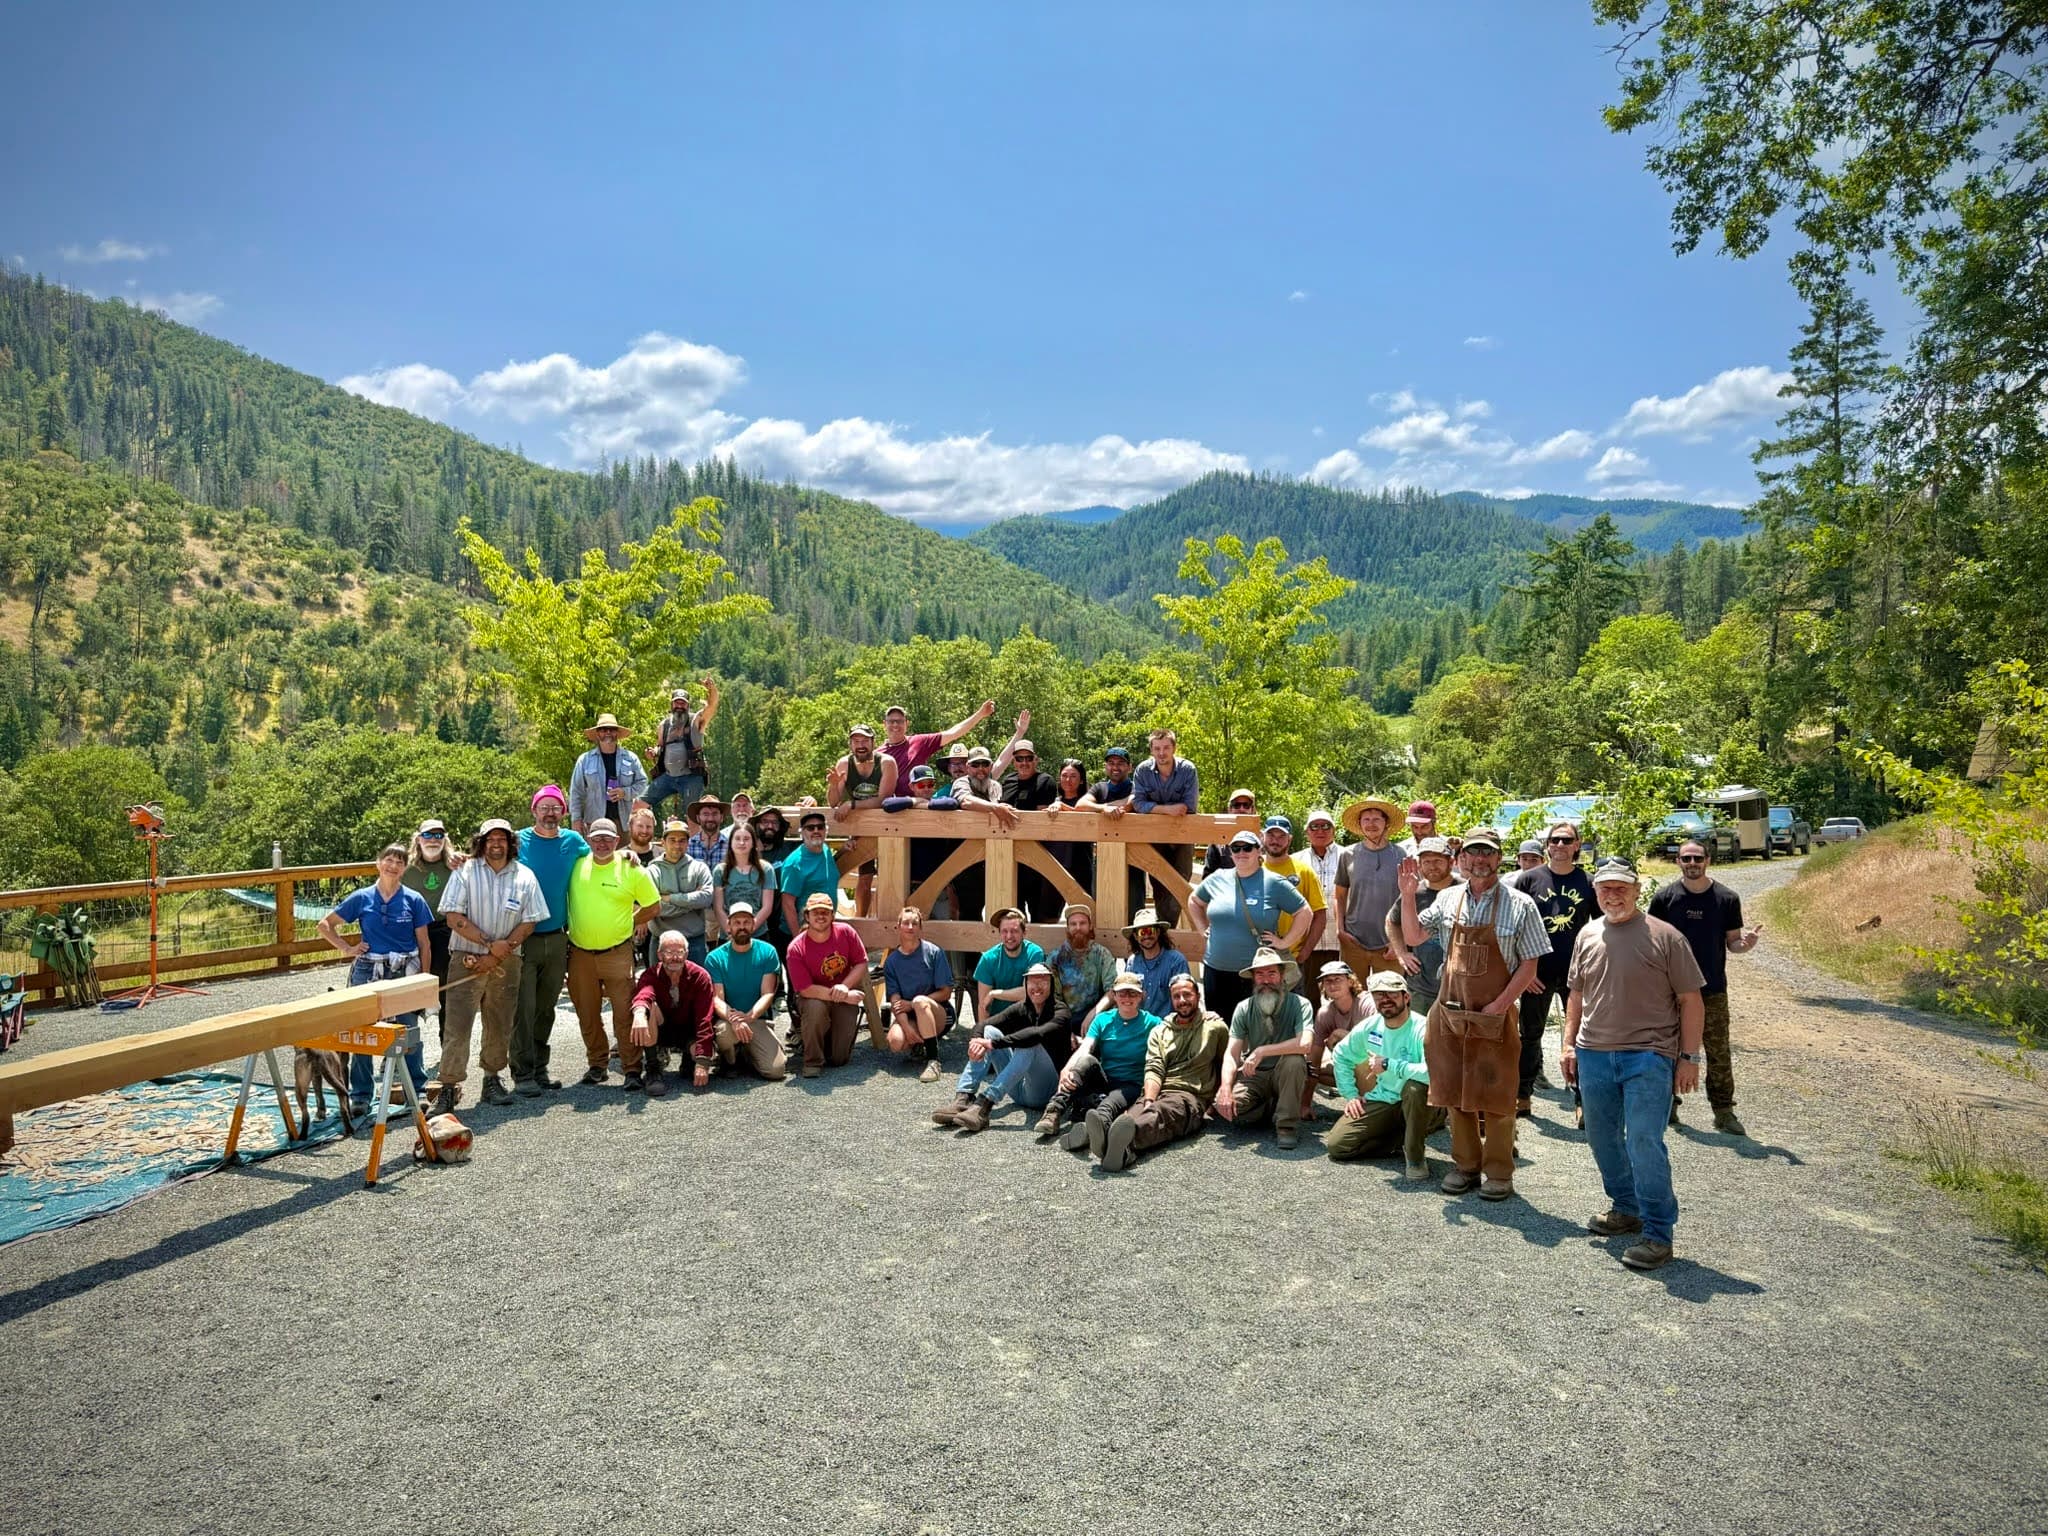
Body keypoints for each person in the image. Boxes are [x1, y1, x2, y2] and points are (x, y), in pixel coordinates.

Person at [1564, 858, 1708, 1272]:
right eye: (1605, 888)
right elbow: (1576, 994)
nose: (1613, 895)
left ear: (1637, 888)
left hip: (1649, 1055)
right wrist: (1569, 1045)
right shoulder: (1588, 934)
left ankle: (1659, 1233)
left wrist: (1689, 1057)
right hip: (1593, 1054)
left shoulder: (1667, 938)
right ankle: (1626, 1208)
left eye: (1621, 887)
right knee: (1601, 1137)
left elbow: (1691, 1001)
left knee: (1644, 1142)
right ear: (1596, 892)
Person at [1398, 827, 1551, 1200]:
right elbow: (1415, 936)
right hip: (1451, 1013)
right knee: (1455, 1093)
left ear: (1499, 859)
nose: (1480, 860)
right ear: (1462, 859)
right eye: (1473, 853)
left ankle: (1499, 1173)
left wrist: (1499, 1006)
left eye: (1488, 853)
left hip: (1495, 1015)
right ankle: (1465, 1166)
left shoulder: (1521, 905)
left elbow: (1529, 966)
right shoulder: (1449, 899)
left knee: (1497, 1095)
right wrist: (1405, 897)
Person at [1647, 839, 1763, 1135]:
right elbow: (1652, 943)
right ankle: (1666, 1105)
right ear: (1678, 862)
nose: (1692, 863)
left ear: (1708, 860)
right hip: (1669, 990)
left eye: (1697, 858)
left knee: (1718, 1050)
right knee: (1666, 1048)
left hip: (1711, 988)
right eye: (1686, 858)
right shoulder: (1664, 898)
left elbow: (1733, 943)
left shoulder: (1726, 898)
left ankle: (1723, 1111)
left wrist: (1745, 944)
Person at [433, 818, 547, 1112]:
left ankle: (492, 1079)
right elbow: (452, 916)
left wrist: (498, 952)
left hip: (507, 961)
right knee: (457, 1024)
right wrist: (487, 945)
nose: (496, 844)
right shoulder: (465, 872)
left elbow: (530, 920)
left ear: (511, 843)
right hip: (465, 958)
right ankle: (449, 1085)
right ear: (481, 843)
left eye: (502, 839)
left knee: (500, 1022)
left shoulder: (525, 876)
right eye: (490, 839)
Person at [317, 843, 433, 1116]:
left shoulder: (413, 900)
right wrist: (347, 948)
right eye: (388, 860)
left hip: (403, 970)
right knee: (363, 1033)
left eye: (399, 862)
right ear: (378, 863)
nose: (393, 866)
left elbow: (424, 943)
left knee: (407, 1032)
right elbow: (325, 924)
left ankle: (415, 1090)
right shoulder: (362, 897)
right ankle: (361, 1095)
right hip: (369, 970)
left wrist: (425, 979)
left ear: (405, 868)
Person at [1087, 972, 1229, 1171]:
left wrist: (1218, 1098)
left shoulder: (1215, 1028)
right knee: (1130, 1118)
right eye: (1176, 996)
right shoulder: (1160, 1031)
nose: (1182, 1001)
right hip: (1157, 1091)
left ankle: (1110, 1142)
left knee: (1159, 1115)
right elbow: (1154, 1067)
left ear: (1198, 996)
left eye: (1187, 995)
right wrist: (1148, 1100)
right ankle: (1122, 1153)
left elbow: (1227, 1063)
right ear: (1171, 999)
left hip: (1189, 1096)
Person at [1505, 820, 1597, 1119]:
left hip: (1578, 975)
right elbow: (1512, 928)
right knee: (1530, 1035)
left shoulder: (1589, 882)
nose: (1559, 845)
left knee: (1583, 1037)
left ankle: (1583, 1099)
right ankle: (1523, 1095)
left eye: (1566, 840)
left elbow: (1600, 928)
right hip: (1537, 973)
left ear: (1577, 845)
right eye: (1554, 840)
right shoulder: (1528, 880)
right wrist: (1522, 971)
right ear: (1547, 845)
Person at [565, 817, 663, 1090]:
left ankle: (632, 1068)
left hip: (616, 952)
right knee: (587, 1012)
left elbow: (653, 906)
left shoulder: (631, 868)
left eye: (608, 838)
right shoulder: (576, 865)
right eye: (596, 838)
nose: (602, 843)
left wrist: (629, 921)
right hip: (580, 953)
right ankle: (597, 1064)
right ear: (589, 841)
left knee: (624, 1013)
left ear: (617, 840)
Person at [1324, 971, 1446, 1177]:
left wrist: (1390, 1064)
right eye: (1379, 995)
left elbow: (1434, 1073)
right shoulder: (1370, 1027)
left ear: (1406, 997)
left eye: (1391, 994)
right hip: (1385, 1097)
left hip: (1421, 1100)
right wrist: (1350, 1095)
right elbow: (1342, 1055)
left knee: (1414, 1087)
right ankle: (1404, 1137)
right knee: (1338, 1146)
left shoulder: (1423, 1028)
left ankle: (1415, 1157)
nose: (1385, 1000)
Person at [512, 784, 589, 1097]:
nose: (550, 812)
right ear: (534, 810)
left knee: (546, 1008)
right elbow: (486, 858)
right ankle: (522, 1072)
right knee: (524, 1007)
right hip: (523, 936)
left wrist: (629, 857)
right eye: (544, 806)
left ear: (564, 812)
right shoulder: (518, 840)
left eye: (556, 807)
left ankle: (540, 1068)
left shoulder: (573, 841)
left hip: (558, 937)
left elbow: (602, 856)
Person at [1187, 829, 1308, 1027]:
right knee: (1219, 1026)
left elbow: (1304, 911)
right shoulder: (1218, 877)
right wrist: (1202, 928)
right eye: (1236, 848)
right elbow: (1194, 901)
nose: (1241, 852)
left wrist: (1285, 942)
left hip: (1257, 973)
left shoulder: (1273, 882)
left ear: (1259, 851)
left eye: (1247, 847)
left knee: (1258, 1027)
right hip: (1216, 970)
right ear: (1230, 852)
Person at [933, 962, 1071, 1132]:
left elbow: (1036, 1034)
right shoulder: (1021, 1008)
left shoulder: (1061, 1012)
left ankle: (985, 1104)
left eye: (1043, 981)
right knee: (990, 1031)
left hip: (1044, 1092)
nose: (1037, 986)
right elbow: (983, 1025)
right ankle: (964, 1096)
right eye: (1032, 981)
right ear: (1025, 984)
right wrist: (975, 1041)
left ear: (1052, 984)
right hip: (1018, 1091)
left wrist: (992, 1044)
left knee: (1029, 1043)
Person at [1214, 947, 1315, 1149]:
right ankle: (1274, 1107)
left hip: (1284, 1072)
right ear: (1253, 978)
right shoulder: (1244, 1007)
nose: (1266, 980)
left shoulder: (1300, 1004)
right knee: (1227, 1108)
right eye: (1260, 974)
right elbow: (1232, 1054)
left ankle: (1287, 1126)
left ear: (1282, 975)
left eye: (1272, 973)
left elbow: (1305, 1044)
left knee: (1294, 1061)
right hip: (1255, 1075)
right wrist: (1225, 1087)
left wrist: (1261, 1051)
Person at [1037, 972, 1159, 1139]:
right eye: (1122, 993)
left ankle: (1090, 1133)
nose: (1127, 998)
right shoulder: (1103, 1019)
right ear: (1114, 995)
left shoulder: (1153, 1023)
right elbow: (1085, 1047)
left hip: (1131, 1084)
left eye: (1133, 993)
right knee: (1085, 1061)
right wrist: (1067, 1069)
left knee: (1109, 1104)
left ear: (1141, 996)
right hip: (1106, 1078)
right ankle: (1053, 1111)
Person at [785, 891, 871, 1077]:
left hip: (842, 996)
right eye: (816, 912)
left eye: (826, 911)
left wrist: (845, 986)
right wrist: (846, 996)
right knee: (815, 1007)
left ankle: (819, 1039)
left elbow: (861, 962)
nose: (821, 916)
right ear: (807, 916)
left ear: (833, 915)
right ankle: (812, 1061)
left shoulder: (847, 933)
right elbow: (806, 990)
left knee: (839, 1059)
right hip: (813, 998)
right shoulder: (796, 948)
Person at [702, 902, 788, 1082]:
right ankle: (730, 1060)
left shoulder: (768, 951)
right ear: (729, 926)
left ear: (753, 924)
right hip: (728, 1020)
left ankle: (748, 1052)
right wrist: (734, 1019)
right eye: (737, 922)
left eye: (746, 922)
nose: (742, 927)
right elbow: (717, 998)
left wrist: (749, 1017)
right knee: (724, 1034)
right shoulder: (714, 958)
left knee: (776, 1071)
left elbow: (768, 993)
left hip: (756, 1019)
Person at [627, 930, 716, 1098]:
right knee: (648, 1008)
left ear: (686, 954)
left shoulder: (700, 977)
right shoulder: (651, 974)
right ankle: (653, 1068)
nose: (675, 957)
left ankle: (690, 1061)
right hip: (663, 1031)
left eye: (679, 952)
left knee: (699, 1057)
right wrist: (639, 1013)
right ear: (659, 954)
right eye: (669, 952)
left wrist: (703, 1062)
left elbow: (705, 1018)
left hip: (689, 1032)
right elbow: (644, 994)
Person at [1123, 727, 1198, 922]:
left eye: (1166, 748)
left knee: (1182, 881)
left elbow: (1189, 806)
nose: (1161, 753)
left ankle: (1171, 930)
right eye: (1157, 749)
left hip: (1183, 836)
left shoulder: (1188, 770)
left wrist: (1154, 808)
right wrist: (1167, 810)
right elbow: (1137, 803)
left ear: (1174, 748)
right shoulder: (1142, 770)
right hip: (1155, 836)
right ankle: (1166, 929)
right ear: (1151, 750)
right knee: (1158, 885)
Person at [1383, 836, 1456, 1017]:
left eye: (1438, 861)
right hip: (1420, 986)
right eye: (1427, 861)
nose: (1432, 866)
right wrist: (1401, 953)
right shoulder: (1414, 890)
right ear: (1419, 864)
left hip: (1457, 987)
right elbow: (1391, 921)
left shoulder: (1464, 890)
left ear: (1451, 862)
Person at [881, 906, 954, 1083]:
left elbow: (946, 992)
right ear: (898, 926)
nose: (910, 927)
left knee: (920, 1001)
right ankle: (919, 1043)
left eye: (915, 923)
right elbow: (895, 1000)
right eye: (906, 923)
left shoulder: (934, 952)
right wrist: (906, 1028)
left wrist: (914, 1003)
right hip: (911, 1015)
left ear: (920, 927)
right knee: (896, 1041)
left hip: (938, 1013)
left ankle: (933, 1060)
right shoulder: (891, 962)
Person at [1333, 796, 1404, 978]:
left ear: (1386, 823)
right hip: (1354, 941)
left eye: (1376, 819)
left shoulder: (1400, 855)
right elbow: (1339, 896)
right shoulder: (1348, 855)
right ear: (1359, 823)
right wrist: (1340, 930)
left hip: (1389, 942)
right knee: (1352, 997)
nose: (1371, 824)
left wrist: (1400, 940)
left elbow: (1409, 899)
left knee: (1390, 998)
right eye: (1366, 819)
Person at [1259, 814, 1328, 997]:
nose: (1275, 841)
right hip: (1257, 959)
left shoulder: (1303, 871)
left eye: (1281, 836)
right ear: (1262, 837)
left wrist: (1305, 951)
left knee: (1294, 1012)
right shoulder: (1252, 869)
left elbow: (1320, 914)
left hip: (1292, 957)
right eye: (1271, 835)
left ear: (1290, 839)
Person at [401, 818, 461, 1026]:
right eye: (428, 835)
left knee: (445, 987)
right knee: (409, 988)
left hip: (444, 930)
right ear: (418, 839)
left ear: (445, 840)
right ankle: (406, 1046)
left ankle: (447, 1045)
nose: (433, 840)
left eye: (438, 836)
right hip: (411, 932)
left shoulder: (455, 865)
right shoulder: (405, 868)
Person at [1000, 737, 1062, 920]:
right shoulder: (1007, 781)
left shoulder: (1045, 781)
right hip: (1009, 858)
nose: (1024, 763)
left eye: (1028, 758)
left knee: (1040, 915)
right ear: (1013, 762)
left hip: (1039, 858)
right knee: (1012, 914)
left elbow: (1041, 820)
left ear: (1036, 760)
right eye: (1020, 759)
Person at [1078, 745, 1142, 914]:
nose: (1115, 767)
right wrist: (1103, 809)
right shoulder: (1100, 788)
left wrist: (1099, 807)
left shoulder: (1137, 786)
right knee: (1101, 906)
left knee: (1134, 908)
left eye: (1120, 763)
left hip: (1135, 858)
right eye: (1111, 763)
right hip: (1104, 856)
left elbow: (1131, 803)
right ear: (1106, 766)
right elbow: (1081, 805)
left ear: (1129, 767)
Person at [1303, 958, 1371, 1117]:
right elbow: (1313, 1060)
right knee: (1314, 1069)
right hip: (1351, 1064)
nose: (1332, 984)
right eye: (1328, 981)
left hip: (1377, 1066)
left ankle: (1376, 1103)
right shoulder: (1325, 1013)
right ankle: (1356, 1094)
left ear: (1350, 981)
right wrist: (1305, 1104)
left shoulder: (1367, 1004)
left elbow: (1378, 1046)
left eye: (1338, 979)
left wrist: (1341, 1035)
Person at [647, 681, 719, 822]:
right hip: (668, 776)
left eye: (683, 703)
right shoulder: (664, 725)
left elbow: (712, 706)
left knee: (692, 814)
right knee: (640, 803)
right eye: (677, 703)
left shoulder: (696, 720)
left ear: (688, 705)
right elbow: (660, 746)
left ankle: (694, 842)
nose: (679, 706)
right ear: (672, 705)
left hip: (691, 776)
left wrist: (712, 689)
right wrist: (653, 752)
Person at [568, 713, 650, 834]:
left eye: (612, 729)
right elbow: (576, 792)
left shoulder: (630, 758)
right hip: (594, 822)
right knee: (595, 853)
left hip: (623, 823)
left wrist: (625, 792)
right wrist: (576, 819)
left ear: (617, 733)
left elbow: (643, 783)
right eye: (603, 730)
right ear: (597, 733)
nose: (608, 733)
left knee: (623, 853)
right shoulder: (584, 760)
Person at [647, 817, 714, 963]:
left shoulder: (699, 868)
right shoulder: (652, 871)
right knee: (659, 986)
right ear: (663, 842)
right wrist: (690, 905)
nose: (677, 845)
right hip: (661, 942)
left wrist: (670, 898)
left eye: (682, 840)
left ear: (688, 843)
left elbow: (706, 898)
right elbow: (654, 907)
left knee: (696, 985)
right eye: (672, 840)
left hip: (694, 941)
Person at [879, 699, 997, 781]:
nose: (895, 725)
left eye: (899, 721)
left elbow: (953, 733)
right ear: (884, 724)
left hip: (917, 810)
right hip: (887, 811)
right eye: (891, 721)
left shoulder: (919, 742)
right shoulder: (877, 754)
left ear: (907, 723)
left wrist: (980, 714)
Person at [973, 907, 1046, 1027]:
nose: (1009, 936)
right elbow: (983, 1005)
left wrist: (995, 994)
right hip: (998, 1023)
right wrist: (981, 1034)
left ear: (1024, 933)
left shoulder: (1035, 954)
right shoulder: (988, 959)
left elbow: (1028, 992)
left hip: (1028, 1022)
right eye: (1004, 931)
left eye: (1014, 931)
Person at [1047, 902, 1118, 1023]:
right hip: (1064, 1015)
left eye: (1083, 923)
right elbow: (1053, 997)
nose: (1078, 928)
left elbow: (1112, 991)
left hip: (1097, 1015)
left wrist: (1094, 1013)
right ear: (1067, 928)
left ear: (1090, 926)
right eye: (1073, 924)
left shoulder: (1101, 954)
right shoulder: (1055, 958)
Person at [713, 820, 778, 945]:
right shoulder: (720, 871)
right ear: (730, 842)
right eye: (737, 838)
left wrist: (748, 930)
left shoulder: (766, 869)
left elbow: (767, 907)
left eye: (746, 839)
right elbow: (718, 908)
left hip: (758, 934)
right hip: (728, 936)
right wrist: (731, 932)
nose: (742, 842)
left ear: (753, 842)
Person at [1119, 907, 1191, 1018]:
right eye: (1142, 932)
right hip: (1139, 1025)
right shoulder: (1132, 962)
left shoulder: (1177, 961)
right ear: (1135, 936)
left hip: (1169, 1026)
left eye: (1150, 931)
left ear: (1158, 932)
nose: (1147, 936)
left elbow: (1185, 999)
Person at [778, 808, 842, 934]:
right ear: (802, 833)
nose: (816, 831)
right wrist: (798, 939)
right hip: (803, 930)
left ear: (826, 830)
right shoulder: (794, 864)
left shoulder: (825, 850)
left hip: (824, 927)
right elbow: (788, 904)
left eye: (820, 827)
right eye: (810, 828)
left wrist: (844, 850)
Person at [1041, 756, 1096, 895]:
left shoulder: (1087, 801)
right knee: (1048, 913)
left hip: (1081, 862)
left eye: (1073, 776)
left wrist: (1062, 807)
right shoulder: (1052, 801)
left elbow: (1086, 818)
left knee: (1086, 908)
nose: (1068, 780)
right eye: (1064, 776)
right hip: (1055, 862)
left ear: (1081, 780)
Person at [1300, 808, 1345, 972]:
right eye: (1314, 826)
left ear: (1334, 830)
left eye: (1326, 826)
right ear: (1307, 832)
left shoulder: (1349, 856)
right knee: (1310, 993)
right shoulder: (1296, 860)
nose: (1320, 830)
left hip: (1342, 940)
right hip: (1308, 942)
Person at [828, 724, 899, 824]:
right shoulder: (844, 764)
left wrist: (851, 804)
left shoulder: (887, 763)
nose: (861, 746)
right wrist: (833, 786)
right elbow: (833, 803)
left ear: (873, 742)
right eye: (856, 741)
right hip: (857, 823)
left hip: (886, 821)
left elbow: (883, 800)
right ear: (850, 744)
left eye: (865, 741)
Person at [1202, 789, 1260, 878]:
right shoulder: (1217, 843)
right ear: (1230, 809)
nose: (1241, 809)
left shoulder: (1262, 840)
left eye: (1246, 805)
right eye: (1236, 805)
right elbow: (1207, 878)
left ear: (1253, 809)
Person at [685, 794, 729, 870]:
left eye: (715, 814)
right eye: (706, 814)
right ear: (698, 818)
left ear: (721, 817)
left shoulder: (730, 847)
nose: (710, 818)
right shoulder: (688, 846)